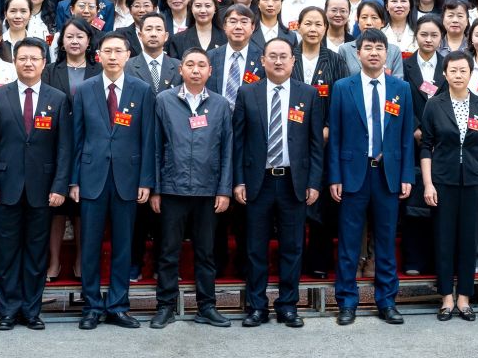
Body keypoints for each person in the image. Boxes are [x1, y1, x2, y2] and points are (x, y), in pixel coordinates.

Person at [0, 39, 69, 330]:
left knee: (36, 252)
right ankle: (8, 310)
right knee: (8, 251)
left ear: (44, 63)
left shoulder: (57, 98)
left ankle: (31, 310)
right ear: (14, 61)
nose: (28, 63)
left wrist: (59, 187)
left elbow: (65, 147)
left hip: (43, 189)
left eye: (34, 59)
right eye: (23, 58)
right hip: (6, 188)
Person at [325, 28, 414, 325]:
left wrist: (406, 175)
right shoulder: (343, 87)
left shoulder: (401, 88)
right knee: (349, 242)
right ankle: (347, 302)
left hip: (388, 174)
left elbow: (405, 136)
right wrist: (335, 176)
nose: (374, 53)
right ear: (358, 53)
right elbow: (335, 136)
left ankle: (387, 301)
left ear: (387, 53)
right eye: (368, 48)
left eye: (379, 48)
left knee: (386, 242)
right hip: (353, 173)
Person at [68, 32, 154, 329]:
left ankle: (118, 305)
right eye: (108, 51)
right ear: (98, 55)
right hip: (91, 177)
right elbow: (76, 138)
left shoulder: (142, 90)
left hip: (128, 178)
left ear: (128, 55)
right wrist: (74, 180)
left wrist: (146, 180)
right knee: (90, 245)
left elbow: (148, 138)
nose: (113, 56)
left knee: (123, 246)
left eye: (119, 51)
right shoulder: (85, 89)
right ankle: (91, 306)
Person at [234, 36, 321, 328]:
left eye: (284, 56)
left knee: (292, 247)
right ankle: (256, 306)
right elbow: (238, 142)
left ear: (293, 61)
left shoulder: (308, 94)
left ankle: (288, 305)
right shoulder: (247, 93)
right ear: (263, 60)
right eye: (273, 56)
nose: (278, 61)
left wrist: (313, 182)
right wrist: (238, 181)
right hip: (257, 182)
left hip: (293, 183)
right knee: (255, 248)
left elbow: (315, 144)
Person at [147, 47, 232, 328]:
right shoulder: (164, 100)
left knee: (206, 253)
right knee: (168, 251)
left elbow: (227, 149)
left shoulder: (220, 104)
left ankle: (207, 306)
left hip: (208, 191)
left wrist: (224, 189)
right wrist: (156, 189)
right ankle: (165, 306)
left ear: (210, 71)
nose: (196, 70)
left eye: (201, 65)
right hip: (172, 188)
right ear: (180, 69)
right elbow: (155, 146)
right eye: (190, 65)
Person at [418, 49, 478, 321]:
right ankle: (446, 297)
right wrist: (428, 184)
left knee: (469, 239)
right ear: (445, 74)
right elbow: (426, 146)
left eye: (463, 70)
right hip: (443, 180)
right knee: (444, 238)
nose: (458, 75)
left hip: (473, 181)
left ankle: (464, 298)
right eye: (453, 70)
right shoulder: (434, 105)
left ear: (471, 74)